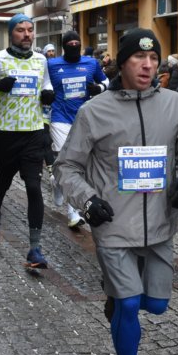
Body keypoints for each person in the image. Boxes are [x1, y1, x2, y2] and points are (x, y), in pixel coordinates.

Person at [54, 28, 178, 355]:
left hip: (161, 223)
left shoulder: (173, 104)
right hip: (114, 225)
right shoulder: (93, 111)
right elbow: (67, 166)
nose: (148, 65)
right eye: (139, 58)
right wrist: (88, 201)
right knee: (129, 302)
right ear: (122, 63)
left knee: (156, 304)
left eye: (153, 58)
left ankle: (116, 296)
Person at [0, 15, 54, 268]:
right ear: (11, 34)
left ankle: (35, 249)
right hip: (7, 133)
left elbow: (46, 83)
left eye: (30, 30)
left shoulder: (41, 60)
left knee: (34, 187)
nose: (27, 34)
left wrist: (48, 93)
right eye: (20, 30)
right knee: (3, 182)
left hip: (34, 132)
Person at [47, 30, 109, 229]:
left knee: (78, 164)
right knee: (67, 162)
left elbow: (106, 81)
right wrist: (45, 96)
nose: (74, 46)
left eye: (77, 43)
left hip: (83, 119)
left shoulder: (91, 63)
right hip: (60, 118)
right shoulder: (52, 65)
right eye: (70, 44)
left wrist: (99, 88)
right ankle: (73, 212)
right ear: (63, 46)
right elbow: (43, 85)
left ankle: (56, 182)